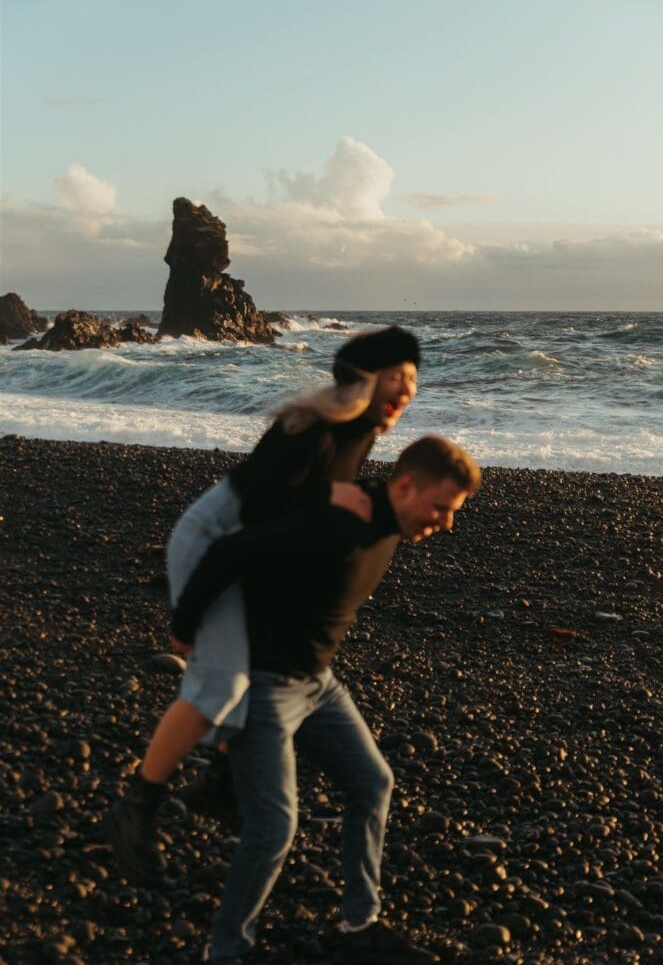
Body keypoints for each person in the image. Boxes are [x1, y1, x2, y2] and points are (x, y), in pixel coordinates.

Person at [106, 327, 420, 877]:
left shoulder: (362, 430)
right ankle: (137, 804)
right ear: (366, 379)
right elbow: (260, 502)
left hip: (248, 549)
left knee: (259, 666)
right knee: (220, 682)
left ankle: (219, 783)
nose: (408, 391)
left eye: (415, 380)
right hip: (212, 541)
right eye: (399, 377)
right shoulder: (311, 427)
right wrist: (188, 619)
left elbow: (290, 523)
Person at [176, 436, 481, 964]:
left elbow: (347, 455)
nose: (447, 523)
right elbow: (231, 551)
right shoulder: (336, 524)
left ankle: (359, 926)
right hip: (267, 683)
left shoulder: (379, 516)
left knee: (372, 783)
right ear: (405, 485)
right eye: (441, 508)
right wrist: (184, 628)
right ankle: (224, 951)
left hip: (318, 682)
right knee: (273, 827)